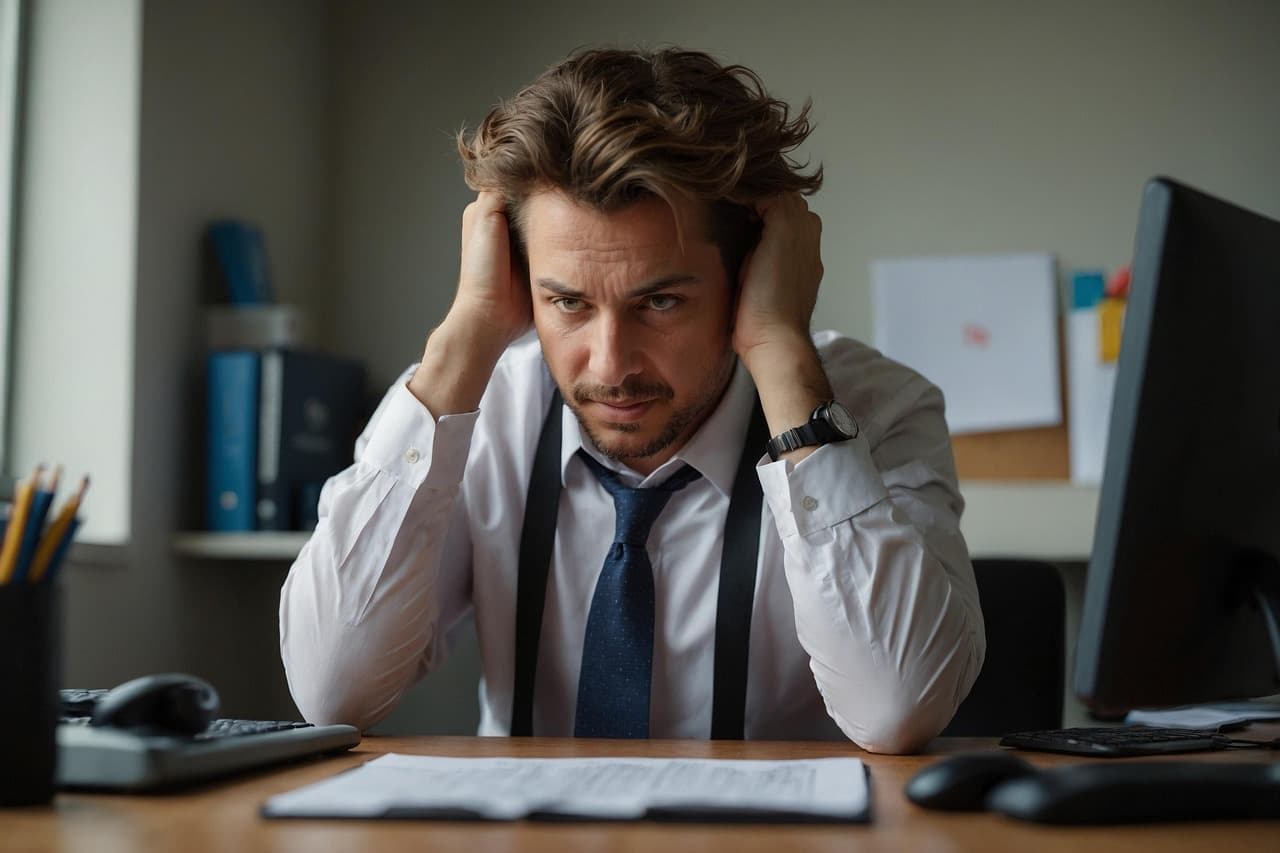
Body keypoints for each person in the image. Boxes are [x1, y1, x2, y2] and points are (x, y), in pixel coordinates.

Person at [279, 47, 984, 753]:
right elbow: (333, 688)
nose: (611, 365)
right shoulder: (480, 408)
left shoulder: (874, 411)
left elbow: (900, 707)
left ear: (747, 278)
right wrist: (463, 339)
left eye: (661, 301)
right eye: (568, 302)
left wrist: (779, 348)